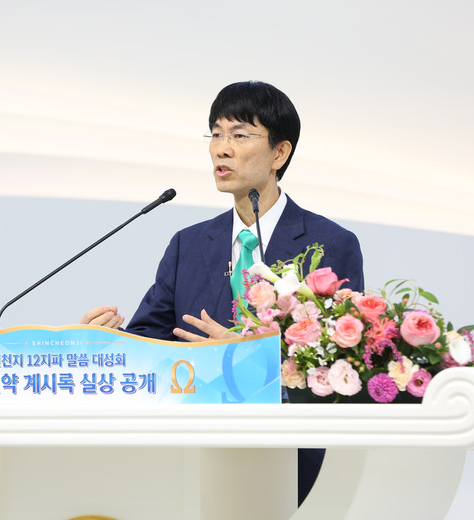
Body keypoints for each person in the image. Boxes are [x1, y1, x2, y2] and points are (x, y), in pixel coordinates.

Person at [81, 80, 364, 506]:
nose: (222, 149)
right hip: (191, 461)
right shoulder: (189, 245)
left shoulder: (330, 244)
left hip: (291, 464)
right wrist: (108, 344)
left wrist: (251, 355)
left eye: (240, 135)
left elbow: (342, 361)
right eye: (215, 135)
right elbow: (151, 341)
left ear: (279, 153)